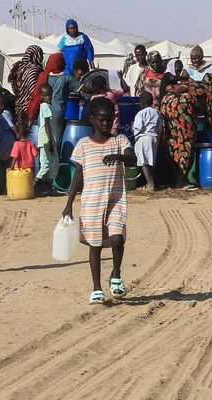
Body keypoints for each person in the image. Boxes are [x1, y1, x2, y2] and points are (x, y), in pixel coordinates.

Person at [62, 97, 136, 305]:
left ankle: (116, 274)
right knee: (94, 245)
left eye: (109, 119)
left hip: (116, 201)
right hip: (92, 203)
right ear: (92, 120)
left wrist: (119, 157)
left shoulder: (119, 141)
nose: (106, 124)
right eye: (102, 120)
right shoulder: (83, 145)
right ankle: (96, 288)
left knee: (117, 238)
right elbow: (78, 176)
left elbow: (133, 158)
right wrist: (68, 204)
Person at [131, 91, 161, 190]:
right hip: (154, 137)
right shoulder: (157, 112)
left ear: (141, 103)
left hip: (143, 138)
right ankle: (151, 183)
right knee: (151, 161)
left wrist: (133, 131)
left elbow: (138, 127)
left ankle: (150, 184)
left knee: (143, 161)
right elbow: (160, 127)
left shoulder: (141, 113)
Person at [8, 45, 44, 125]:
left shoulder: (18, 68)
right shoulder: (34, 70)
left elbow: (14, 87)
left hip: (19, 106)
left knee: (22, 132)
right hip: (31, 108)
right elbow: (34, 91)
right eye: (40, 55)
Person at [34, 84, 59, 193]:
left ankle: (48, 187)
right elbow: (47, 124)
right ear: (41, 96)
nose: (48, 97)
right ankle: (33, 185)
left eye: (49, 95)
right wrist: (49, 141)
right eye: (45, 95)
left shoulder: (48, 107)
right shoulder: (44, 106)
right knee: (46, 164)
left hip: (47, 139)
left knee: (52, 163)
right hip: (46, 139)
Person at [0, 90, 18, 164]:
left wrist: (18, 135)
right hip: (2, 142)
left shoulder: (5, 115)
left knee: (9, 161)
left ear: (1, 107)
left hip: (7, 142)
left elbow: (12, 126)